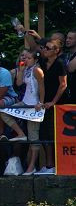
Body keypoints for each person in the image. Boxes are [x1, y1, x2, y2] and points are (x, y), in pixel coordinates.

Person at [36, 38, 66, 174]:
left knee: (52, 133)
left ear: (56, 51)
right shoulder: (42, 62)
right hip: (44, 102)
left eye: (48, 48)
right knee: (44, 133)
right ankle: (49, 164)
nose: (45, 50)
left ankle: (54, 165)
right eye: (44, 48)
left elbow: (63, 84)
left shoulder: (60, 64)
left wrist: (53, 102)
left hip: (57, 104)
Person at [14, 49, 44, 175]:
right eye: (25, 58)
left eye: (29, 58)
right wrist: (20, 70)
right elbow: (19, 83)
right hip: (25, 102)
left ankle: (31, 166)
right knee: (5, 112)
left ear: (35, 59)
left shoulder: (37, 69)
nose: (26, 60)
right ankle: (20, 133)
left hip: (34, 105)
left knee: (33, 137)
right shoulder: (26, 69)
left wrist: (41, 102)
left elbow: (42, 86)